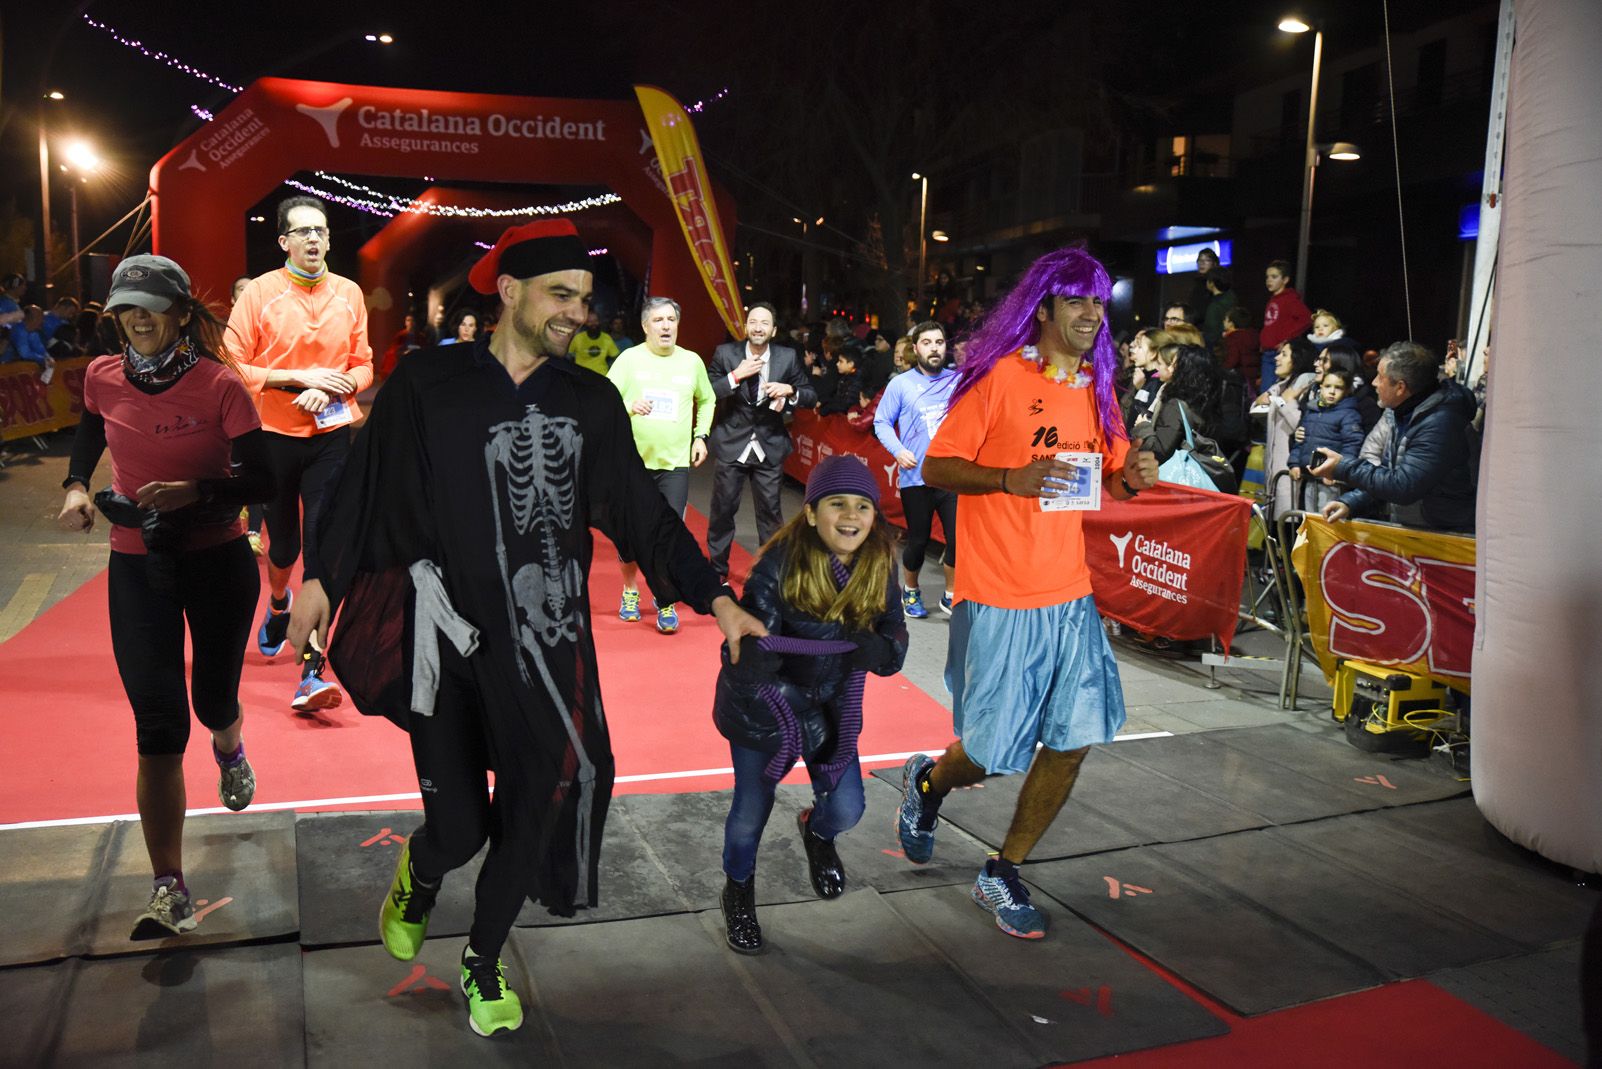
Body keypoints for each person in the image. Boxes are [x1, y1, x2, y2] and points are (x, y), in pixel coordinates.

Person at [285, 219, 766, 1037]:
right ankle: (423, 869)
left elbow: (644, 515)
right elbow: (362, 484)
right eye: (560, 294)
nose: (578, 311)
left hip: (549, 640)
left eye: (585, 297)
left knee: (546, 795)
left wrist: (715, 598)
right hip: (447, 639)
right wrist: (322, 576)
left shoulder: (590, 400)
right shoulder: (428, 384)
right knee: (461, 827)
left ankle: (481, 956)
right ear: (509, 291)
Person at [894, 247, 1159, 940]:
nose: (1090, 313)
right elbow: (938, 464)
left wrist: (1134, 477)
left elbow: (1112, 477)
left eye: (1098, 301)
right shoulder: (999, 379)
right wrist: (1009, 478)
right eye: (1076, 300)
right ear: (1043, 309)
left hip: (1069, 594)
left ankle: (1003, 869)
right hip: (997, 595)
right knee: (990, 751)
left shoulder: (1098, 388)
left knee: (1076, 737)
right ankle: (928, 782)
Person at [57, 255, 272, 940]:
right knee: (157, 724)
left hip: (216, 560)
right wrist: (75, 485)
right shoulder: (101, 375)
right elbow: (90, 425)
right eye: (126, 307)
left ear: (180, 312)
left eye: (150, 306)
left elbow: (262, 480)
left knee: (211, 701)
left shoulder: (221, 385)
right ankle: (168, 886)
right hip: (137, 562)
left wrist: (197, 492)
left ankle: (229, 745)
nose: (137, 318)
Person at [713, 455, 908, 952]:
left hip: (831, 705)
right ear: (811, 512)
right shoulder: (777, 566)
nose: (851, 515)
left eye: (862, 505)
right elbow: (747, 641)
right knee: (749, 814)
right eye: (837, 503)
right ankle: (738, 891)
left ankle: (817, 832)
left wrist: (883, 649)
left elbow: (894, 629)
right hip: (766, 710)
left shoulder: (880, 562)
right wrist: (754, 660)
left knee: (846, 808)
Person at [225, 194, 373, 711]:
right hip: (272, 436)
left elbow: (363, 365)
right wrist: (296, 379)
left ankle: (311, 670)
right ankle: (278, 603)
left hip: (330, 437)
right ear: (284, 241)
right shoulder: (261, 293)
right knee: (284, 547)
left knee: (322, 548)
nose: (314, 239)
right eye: (304, 231)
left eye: (322, 231)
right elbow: (230, 363)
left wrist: (336, 387)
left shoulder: (349, 293)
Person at [607, 296, 716, 633]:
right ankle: (630, 590)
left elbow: (707, 398)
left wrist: (700, 436)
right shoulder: (629, 360)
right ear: (645, 326)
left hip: (674, 465)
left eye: (671, 319)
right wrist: (628, 404)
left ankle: (665, 599)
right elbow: (604, 400)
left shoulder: (691, 361)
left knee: (666, 537)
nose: (666, 326)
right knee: (628, 537)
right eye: (658, 320)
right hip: (631, 464)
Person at [1311, 341, 1479, 533]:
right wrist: (1351, 502)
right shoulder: (1402, 411)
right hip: (1415, 528)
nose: (1374, 382)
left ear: (1400, 387)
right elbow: (1388, 473)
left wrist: (1342, 467)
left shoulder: (1440, 423)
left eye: (1380, 377)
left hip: (1443, 534)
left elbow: (1403, 486)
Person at [705, 303, 817, 581]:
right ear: (745, 327)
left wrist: (790, 390)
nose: (758, 327)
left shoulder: (787, 357)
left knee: (770, 515)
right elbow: (707, 391)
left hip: (770, 444)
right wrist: (736, 375)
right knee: (722, 511)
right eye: (753, 322)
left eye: (764, 323)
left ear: (774, 330)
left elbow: (810, 395)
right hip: (732, 442)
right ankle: (716, 572)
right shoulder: (726, 353)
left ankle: (769, 574)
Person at [874, 320, 959, 618]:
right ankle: (910, 590)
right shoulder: (900, 384)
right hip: (916, 476)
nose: (934, 348)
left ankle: (951, 595)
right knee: (919, 541)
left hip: (951, 476)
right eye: (927, 343)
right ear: (916, 348)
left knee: (958, 539)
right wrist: (898, 450)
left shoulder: (957, 381)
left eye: (939, 342)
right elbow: (881, 422)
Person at [1255, 337, 1320, 517]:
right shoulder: (1281, 385)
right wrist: (1268, 399)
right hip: (1274, 471)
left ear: (1298, 357)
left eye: (1284, 354)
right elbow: (1257, 406)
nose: (1277, 358)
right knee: (1275, 521)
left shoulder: (1307, 382)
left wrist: (1285, 402)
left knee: (1289, 520)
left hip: (1291, 469)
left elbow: (1299, 426)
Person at [1288, 368, 1366, 512]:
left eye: (1338, 387)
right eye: (1328, 386)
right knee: (1309, 516)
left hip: (1331, 481)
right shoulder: (1311, 411)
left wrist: (1338, 471)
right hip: (1310, 477)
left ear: (1347, 391)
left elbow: (1352, 445)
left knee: (1327, 516)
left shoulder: (1349, 414)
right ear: (1321, 387)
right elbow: (1301, 441)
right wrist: (1294, 463)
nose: (1332, 391)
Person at [1132, 343, 1222, 465]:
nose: (1169, 369)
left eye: (1174, 366)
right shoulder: (1205, 404)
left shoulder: (1175, 405)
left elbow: (1159, 451)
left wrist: (1142, 427)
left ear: (1187, 372)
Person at [1259, 259, 1312, 392]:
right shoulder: (1273, 299)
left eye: (1274, 277)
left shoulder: (1289, 299)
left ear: (1285, 279)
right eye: (1267, 277)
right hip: (1268, 352)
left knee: (1271, 390)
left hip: (1277, 352)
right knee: (1266, 390)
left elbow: (1306, 319)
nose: (1269, 280)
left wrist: (1287, 340)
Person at [1120, 328, 1173, 433]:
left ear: (1153, 353)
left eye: (1140, 347)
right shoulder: (1145, 377)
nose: (1134, 351)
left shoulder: (1158, 382)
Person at [817, 341, 864, 416]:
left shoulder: (857, 381)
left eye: (841, 361)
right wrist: (823, 401)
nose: (837, 364)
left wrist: (828, 407)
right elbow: (838, 398)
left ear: (850, 364)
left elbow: (847, 406)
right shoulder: (846, 376)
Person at [567, 309, 619, 373]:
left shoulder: (606, 338)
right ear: (585, 323)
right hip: (582, 376)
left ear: (599, 321)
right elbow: (569, 356)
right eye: (590, 321)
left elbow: (615, 356)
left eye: (595, 321)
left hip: (601, 375)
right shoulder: (578, 338)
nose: (593, 324)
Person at [1201, 267, 1238, 353]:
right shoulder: (1232, 298)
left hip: (1217, 348)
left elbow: (1211, 331)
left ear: (1211, 283)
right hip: (1232, 343)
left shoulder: (1214, 306)